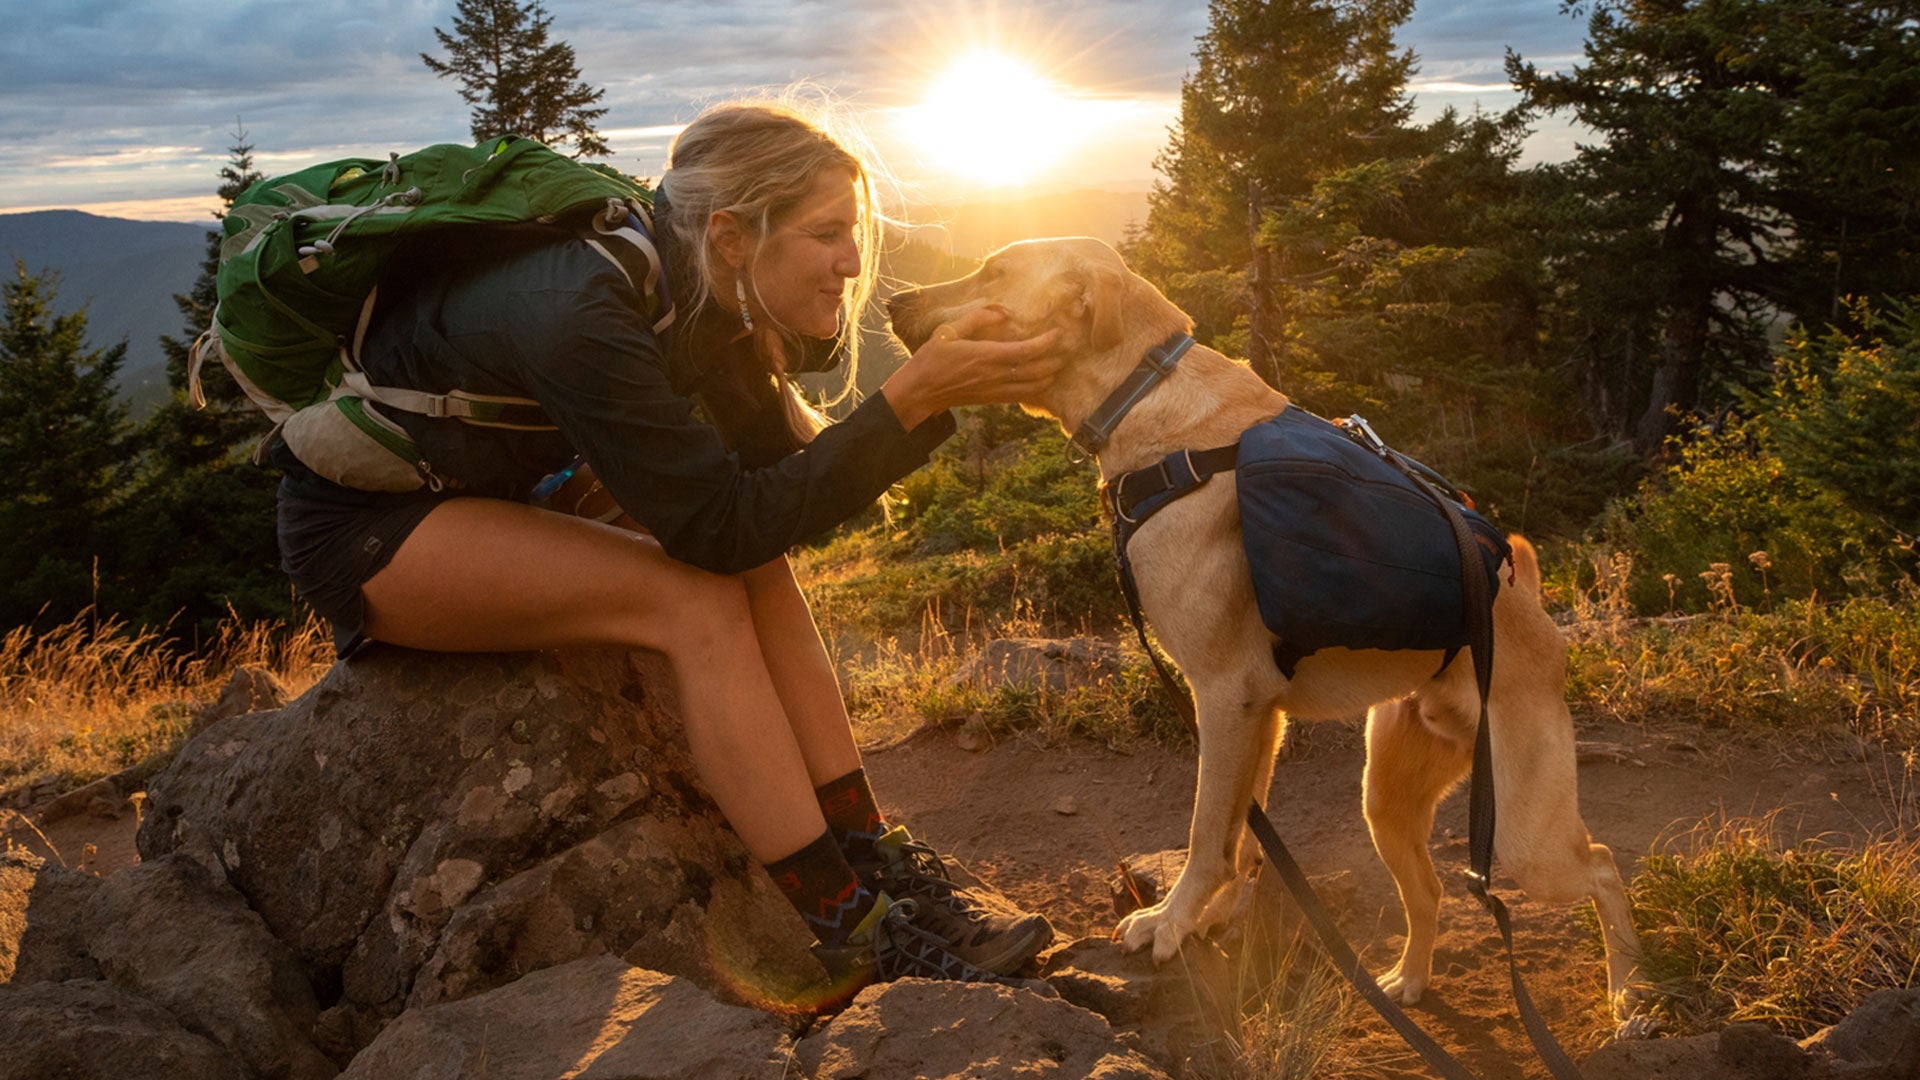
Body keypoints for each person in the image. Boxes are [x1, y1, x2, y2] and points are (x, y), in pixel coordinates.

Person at [271, 98, 1064, 1002]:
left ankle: (877, 860)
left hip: (497, 501)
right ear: (731, 233)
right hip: (372, 531)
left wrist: (930, 384)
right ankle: (852, 932)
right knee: (695, 601)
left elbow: (769, 495)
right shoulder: (577, 307)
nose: (852, 262)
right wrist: (908, 404)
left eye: (854, 231)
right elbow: (715, 530)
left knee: (752, 566)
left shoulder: (707, 293)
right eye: (827, 234)